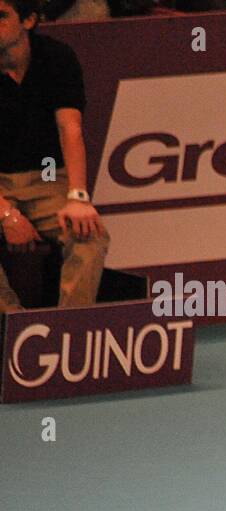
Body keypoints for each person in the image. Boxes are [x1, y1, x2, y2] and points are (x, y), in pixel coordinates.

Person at [0, 0, 108, 319]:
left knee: (90, 236)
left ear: (29, 20)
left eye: (2, 16)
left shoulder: (57, 58)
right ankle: (14, 330)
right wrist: (7, 214)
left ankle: (68, 331)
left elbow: (70, 129)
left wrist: (78, 196)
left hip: (47, 178)